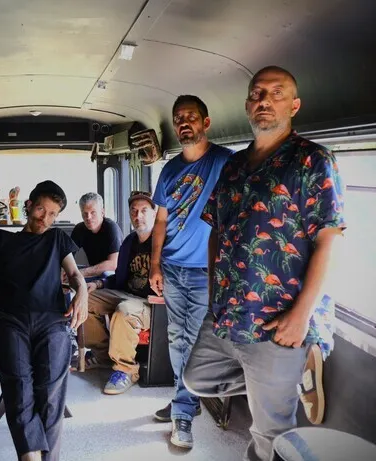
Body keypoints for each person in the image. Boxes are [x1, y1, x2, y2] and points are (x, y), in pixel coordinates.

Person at [184, 66, 346, 461]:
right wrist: (214, 294)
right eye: (257, 93)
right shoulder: (234, 166)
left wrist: (301, 315)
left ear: (294, 105)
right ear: (247, 104)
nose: (265, 101)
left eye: (277, 93)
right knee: (196, 378)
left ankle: (285, 376)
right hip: (227, 311)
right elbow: (217, 230)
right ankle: (289, 379)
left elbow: (329, 239)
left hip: (278, 319)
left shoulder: (312, 160)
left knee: (269, 435)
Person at [0, 181, 88, 461]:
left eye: (52, 214)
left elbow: (75, 275)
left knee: (50, 394)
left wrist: (83, 293)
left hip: (53, 322)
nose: (45, 218)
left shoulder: (57, 239)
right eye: (41, 209)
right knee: (18, 386)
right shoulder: (0, 239)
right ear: (28, 205)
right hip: (11, 322)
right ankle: (30, 456)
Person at [147, 95, 233, 448]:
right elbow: (161, 221)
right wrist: (154, 264)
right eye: (178, 118)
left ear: (205, 123)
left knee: (193, 340)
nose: (184, 123)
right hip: (171, 267)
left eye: (191, 117)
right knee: (176, 338)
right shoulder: (169, 170)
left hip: (204, 270)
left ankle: (183, 408)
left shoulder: (225, 161)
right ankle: (185, 400)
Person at [84, 192, 157, 395]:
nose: (138, 216)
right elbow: (119, 277)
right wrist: (98, 283)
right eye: (134, 211)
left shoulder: (163, 242)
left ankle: (126, 370)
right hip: (126, 293)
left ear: (154, 214)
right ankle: (103, 356)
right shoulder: (129, 242)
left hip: (152, 302)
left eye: (144, 211)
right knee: (84, 299)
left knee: (124, 311)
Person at [70, 192, 123, 280]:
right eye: (85, 213)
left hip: (113, 274)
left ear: (102, 212)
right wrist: (65, 271)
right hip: (94, 272)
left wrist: (82, 272)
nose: (88, 217)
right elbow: (68, 256)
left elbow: (113, 264)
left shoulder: (111, 228)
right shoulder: (79, 229)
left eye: (93, 212)